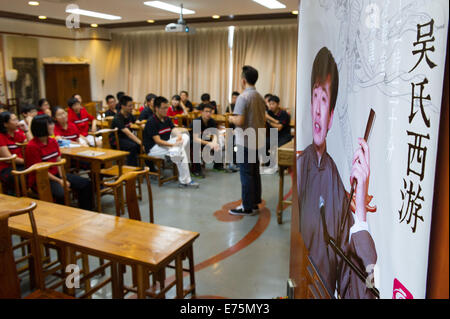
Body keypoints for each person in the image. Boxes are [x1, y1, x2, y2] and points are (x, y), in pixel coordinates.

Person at [297, 47, 377, 299]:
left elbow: (354, 276)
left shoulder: (332, 176)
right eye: (315, 96)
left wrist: (360, 213)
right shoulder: (300, 168)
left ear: (331, 116)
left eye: (325, 99)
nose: (318, 109)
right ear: (309, 104)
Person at [25, 114, 93, 210]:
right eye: (50, 124)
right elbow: (39, 170)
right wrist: (59, 181)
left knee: (85, 184)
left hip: (56, 175)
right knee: (61, 193)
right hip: (41, 179)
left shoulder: (52, 142)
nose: (53, 126)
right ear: (41, 127)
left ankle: (86, 211)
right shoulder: (32, 146)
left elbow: (59, 161)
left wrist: (62, 177)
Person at [228, 66, 266, 216]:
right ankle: (255, 202)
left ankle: (247, 207)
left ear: (243, 81)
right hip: (256, 140)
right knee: (254, 172)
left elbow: (240, 120)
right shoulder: (260, 97)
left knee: (246, 174)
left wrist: (231, 118)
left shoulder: (243, 97)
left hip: (244, 141)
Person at [143, 96, 199, 188]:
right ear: (156, 108)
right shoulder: (151, 122)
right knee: (181, 153)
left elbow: (174, 129)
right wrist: (173, 145)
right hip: (153, 149)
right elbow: (158, 141)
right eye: (164, 108)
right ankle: (185, 181)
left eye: (167, 108)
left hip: (166, 145)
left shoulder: (166, 118)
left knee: (185, 135)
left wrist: (179, 136)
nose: (166, 110)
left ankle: (175, 152)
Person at [190, 104, 226, 177]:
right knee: (195, 146)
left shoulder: (211, 121)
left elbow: (215, 134)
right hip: (193, 142)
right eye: (206, 111)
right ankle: (195, 170)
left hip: (205, 141)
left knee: (217, 144)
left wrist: (214, 142)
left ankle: (217, 166)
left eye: (210, 112)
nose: (208, 114)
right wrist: (209, 143)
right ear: (201, 112)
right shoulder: (197, 122)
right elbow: (195, 139)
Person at [0, 112, 27, 194]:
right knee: (21, 178)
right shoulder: (1, 136)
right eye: (14, 120)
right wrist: (26, 161)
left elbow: (30, 146)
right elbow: (8, 158)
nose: (17, 122)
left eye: (17, 119)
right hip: (7, 168)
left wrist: (26, 130)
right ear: (5, 124)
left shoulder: (18, 133)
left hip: (21, 164)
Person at [111, 95, 141, 166]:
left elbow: (136, 123)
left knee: (141, 145)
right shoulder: (117, 118)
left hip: (126, 138)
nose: (132, 108)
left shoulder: (129, 114)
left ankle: (140, 166)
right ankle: (132, 168)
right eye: (129, 106)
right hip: (117, 139)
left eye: (132, 105)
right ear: (122, 106)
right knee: (134, 146)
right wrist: (140, 142)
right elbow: (128, 133)